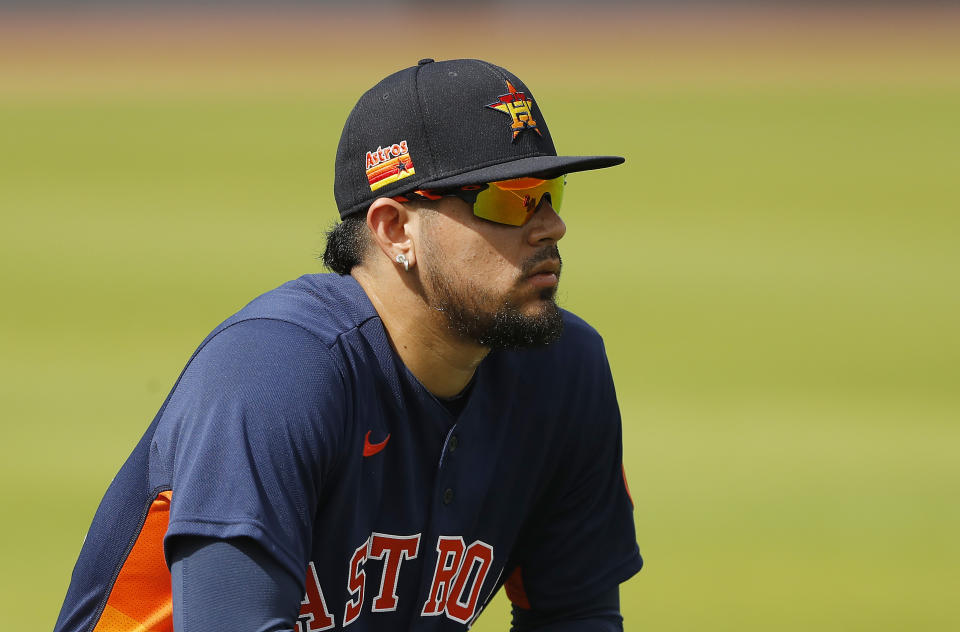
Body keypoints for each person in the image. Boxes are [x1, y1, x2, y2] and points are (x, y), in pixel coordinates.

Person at [54, 58, 642, 632]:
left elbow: (576, 614)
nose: (550, 226)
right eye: (510, 199)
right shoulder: (273, 375)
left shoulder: (565, 373)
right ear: (395, 229)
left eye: (551, 193)